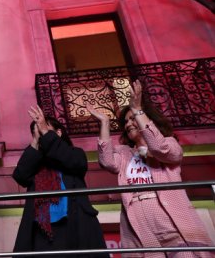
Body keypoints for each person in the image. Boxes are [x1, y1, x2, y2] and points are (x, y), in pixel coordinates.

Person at [89, 80, 213, 257]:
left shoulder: (169, 144)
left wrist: (137, 109)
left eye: (133, 119)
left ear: (148, 119)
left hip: (172, 223)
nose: (129, 123)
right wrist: (105, 123)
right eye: (126, 121)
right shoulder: (124, 153)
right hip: (140, 227)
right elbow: (107, 161)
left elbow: (158, 148)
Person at [12, 106, 107, 257]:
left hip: (75, 225)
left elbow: (74, 162)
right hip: (42, 230)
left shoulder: (75, 153)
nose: (43, 135)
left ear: (58, 133)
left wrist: (46, 133)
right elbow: (20, 176)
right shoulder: (35, 163)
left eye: (46, 131)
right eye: (37, 131)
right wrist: (36, 141)